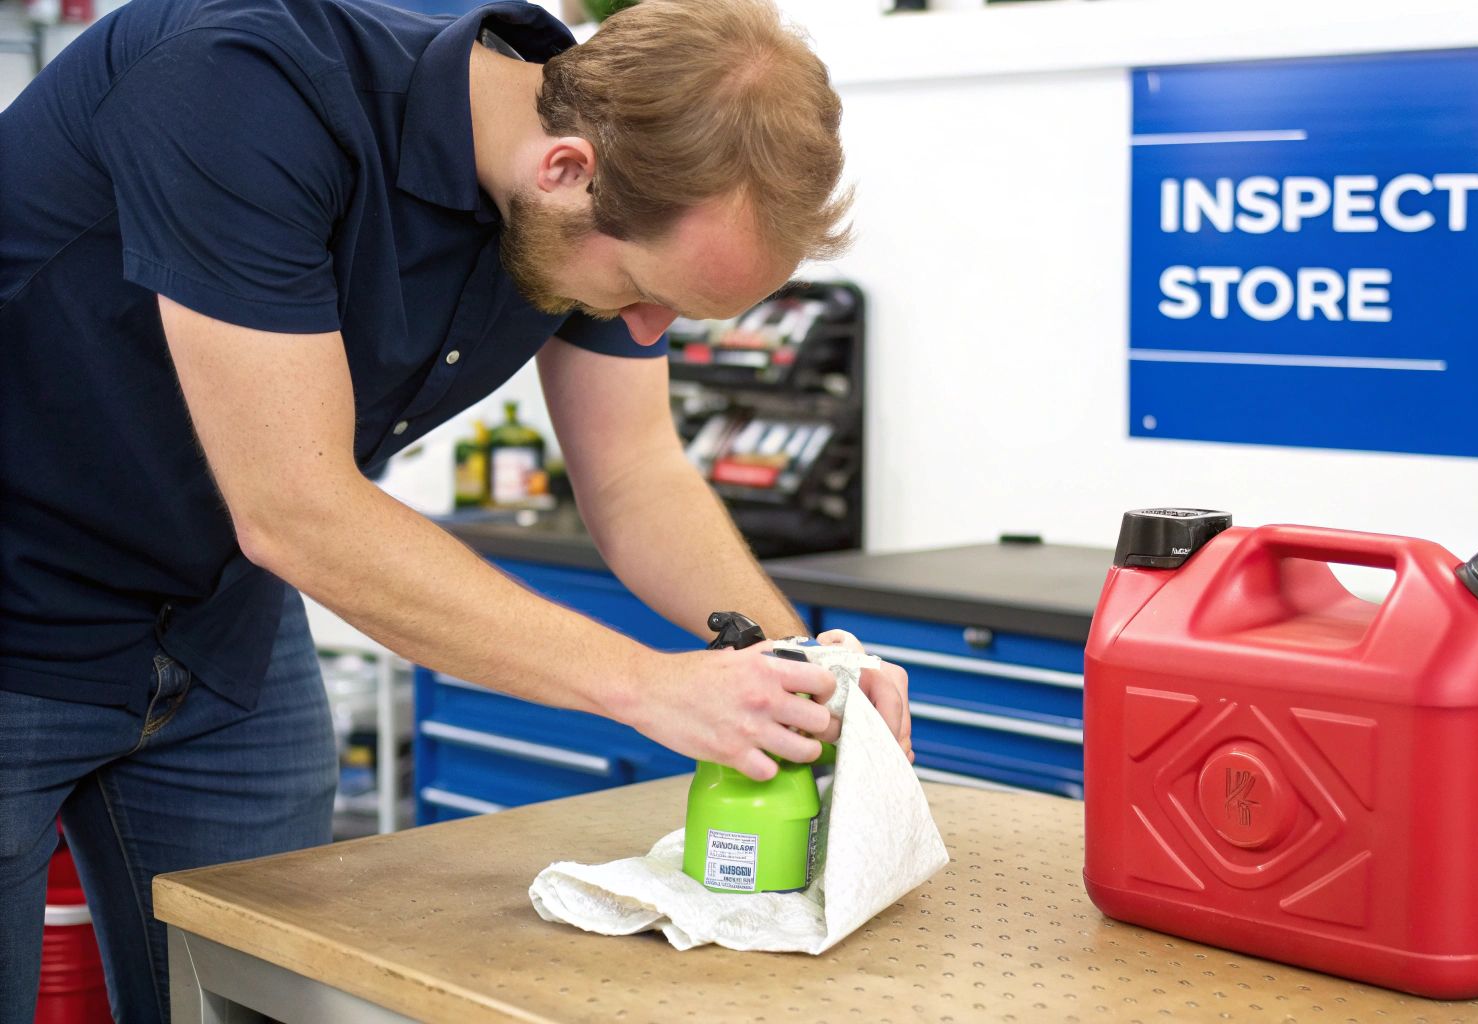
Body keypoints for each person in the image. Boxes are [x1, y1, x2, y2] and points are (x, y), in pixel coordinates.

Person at [0, 0, 911, 1019]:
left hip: (215, 629)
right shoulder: (239, 85)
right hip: (15, 597)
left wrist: (798, 667)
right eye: (647, 290)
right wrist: (649, 686)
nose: (645, 329)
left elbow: (635, 471)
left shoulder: (612, 158)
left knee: (251, 995)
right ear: (564, 171)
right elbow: (298, 511)